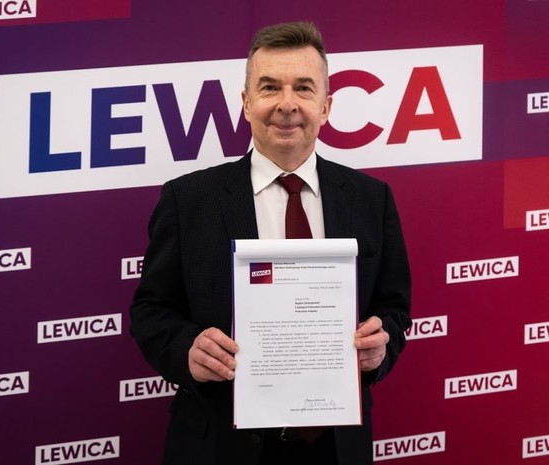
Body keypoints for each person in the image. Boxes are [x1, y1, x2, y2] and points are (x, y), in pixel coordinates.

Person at [129, 21, 411, 465]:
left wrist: (382, 346)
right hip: (219, 445)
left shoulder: (370, 199)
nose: (287, 104)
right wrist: (187, 348)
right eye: (269, 87)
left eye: (303, 88)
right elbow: (150, 311)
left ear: (326, 107)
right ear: (246, 103)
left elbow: (394, 309)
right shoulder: (188, 200)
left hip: (336, 447)